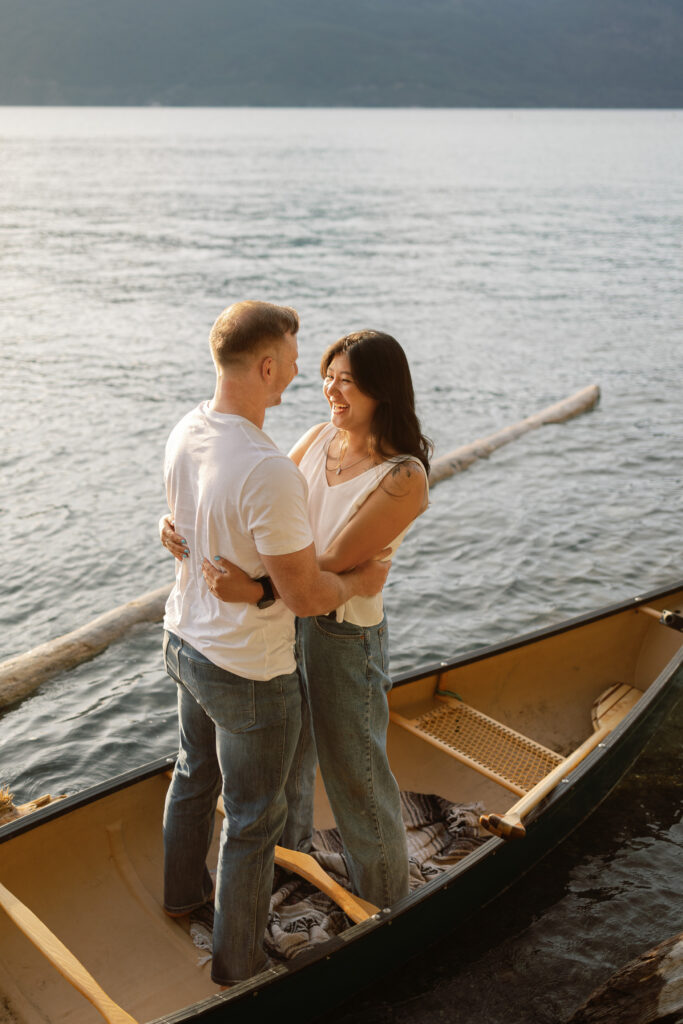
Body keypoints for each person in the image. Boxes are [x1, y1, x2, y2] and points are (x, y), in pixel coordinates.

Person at [161, 302, 390, 987]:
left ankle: (179, 900)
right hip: (249, 672)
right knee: (254, 822)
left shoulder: (187, 428)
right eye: (292, 362)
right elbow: (304, 597)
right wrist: (358, 578)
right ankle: (239, 967)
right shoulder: (269, 470)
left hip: (182, 641)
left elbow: (181, 522)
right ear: (264, 367)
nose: (298, 374)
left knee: (191, 774)